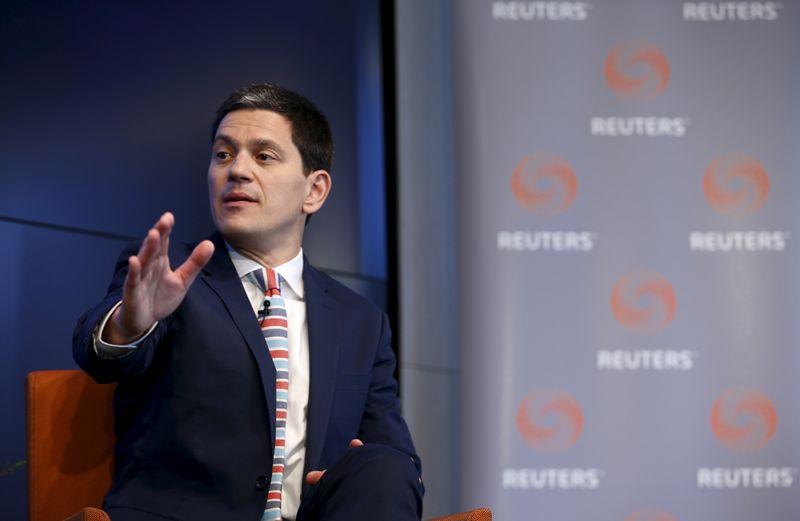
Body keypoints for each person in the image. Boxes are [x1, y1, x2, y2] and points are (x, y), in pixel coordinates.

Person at [73, 83, 423, 521]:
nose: (236, 170)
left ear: (314, 190)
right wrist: (130, 324)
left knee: (387, 466)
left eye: (263, 156)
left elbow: (395, 458)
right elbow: (102, 355)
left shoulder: (362, 323)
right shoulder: (171, 276)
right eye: (223, 154)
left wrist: (354, 477)